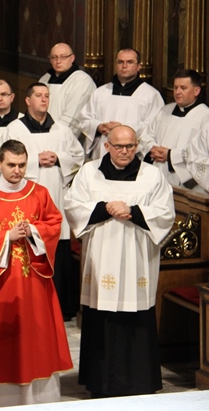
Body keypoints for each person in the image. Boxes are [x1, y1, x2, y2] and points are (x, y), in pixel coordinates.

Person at [64, 125, 175, 398]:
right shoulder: (89, 172)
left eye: (130, 146)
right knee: (101, 316)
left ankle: (139, 383)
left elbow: (165, 213)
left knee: (137, 318)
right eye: (119, 146)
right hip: (101, 258)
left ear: (137, 146)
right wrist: (104, 208)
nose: (125, 151)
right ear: (107, 146)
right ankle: (101, 383)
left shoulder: (152, 175)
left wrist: (133, 210)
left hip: (137, 260)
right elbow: (73, 205)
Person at [0, 139, 72, 407]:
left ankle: (40, 402)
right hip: (1, 284)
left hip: (34, 283)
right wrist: (7, 236)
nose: (17, 171)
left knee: (37, 340)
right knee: (5, 344)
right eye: (11, 165)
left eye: (22, 165)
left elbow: (55, 224)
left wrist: (34, 231)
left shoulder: (39, 193)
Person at [3, 82, 84, 320]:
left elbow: (78, 156)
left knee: (57, 245)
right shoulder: (15, 128)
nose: (44, 99)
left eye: (47, 95)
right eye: (38, 95)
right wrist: (35, 161)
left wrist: (59, 158)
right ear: (28, 101)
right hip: (27, 197)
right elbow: (5, 160)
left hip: (56, 195)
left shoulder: (61, 129)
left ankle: (61, 307)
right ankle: (31, 304)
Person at [79, 48, 164, 159]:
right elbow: (84, 119)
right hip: (102, 150)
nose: (124, 66)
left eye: (130, 62)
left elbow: (154, 126)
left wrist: (122, 129)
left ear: (138, 66)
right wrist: (99, 127)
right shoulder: (100, 92)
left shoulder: (150, 95)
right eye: (120, 62)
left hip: (132, 153)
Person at [140, 69, 209, 194]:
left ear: (196, 91)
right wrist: (153, 149)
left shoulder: (205, 116)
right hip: (158, 170)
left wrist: (170, 155)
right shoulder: (165, 110)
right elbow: (147, 134)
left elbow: (202, 152)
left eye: (183, 88)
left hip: (185, 179)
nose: (177, 92)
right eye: (175, 87)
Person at [39, 42, 97, 139]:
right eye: (54, 57)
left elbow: (72, 117)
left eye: (63, 57)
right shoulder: (44, 79)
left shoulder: (81, 80)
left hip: (66, 137)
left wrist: (54, 137)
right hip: (42, 134)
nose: (58, 61)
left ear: (72, 58)